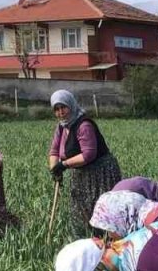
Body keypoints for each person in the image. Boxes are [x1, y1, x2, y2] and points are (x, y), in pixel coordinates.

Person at [48, 90, 122, 230]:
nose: (60, 112)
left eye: (63, 107)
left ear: (71, 105)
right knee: (80, 211)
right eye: (56, 109)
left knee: (101, 211)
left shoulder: (84, 125)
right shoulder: (62, 127)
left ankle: (104, 244)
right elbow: (54, 150)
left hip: (100, 172)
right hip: (80, 173)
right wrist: (54, 169)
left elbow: (88, 154)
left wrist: (63, 164)